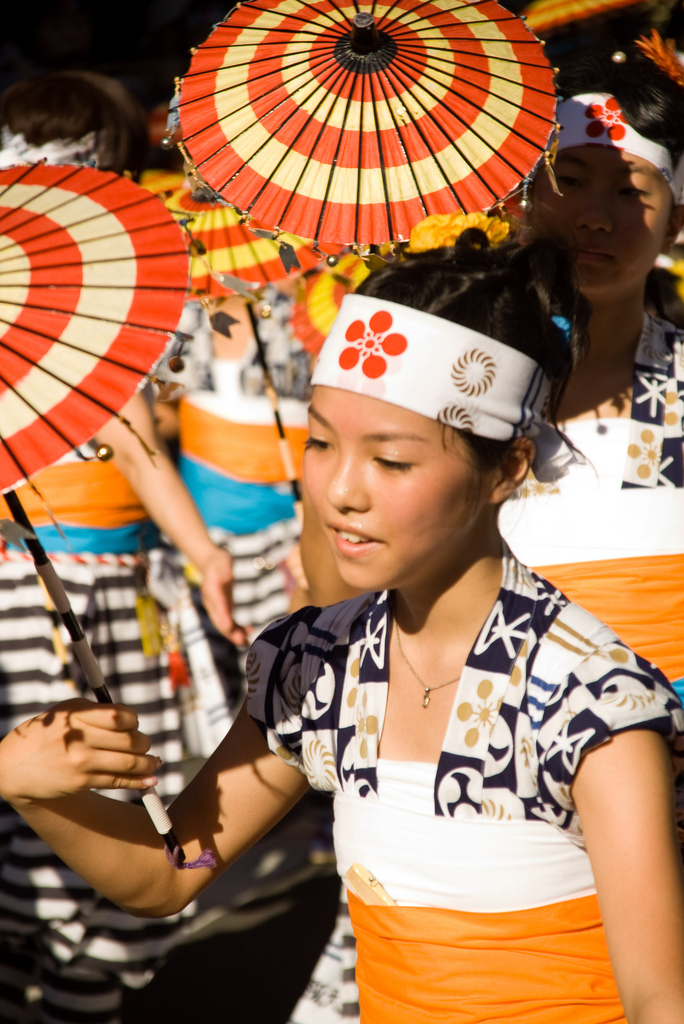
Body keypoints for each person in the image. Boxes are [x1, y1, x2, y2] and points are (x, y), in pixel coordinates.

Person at [1, 235, 684, 1024]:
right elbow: (173, 872)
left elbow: (660, 999)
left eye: (391, 461)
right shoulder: (314, 664)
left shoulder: (592, 701)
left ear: (507, 467)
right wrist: (33, 789)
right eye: (320, 442)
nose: (340, 491)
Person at [0, 71, 243, 1024]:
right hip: (49, 589)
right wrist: (204, 554)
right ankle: (76, 979)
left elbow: (135, 436)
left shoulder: (67, 296)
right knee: (103, 789)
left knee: (103, 791)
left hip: (102, 582)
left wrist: (200, 557)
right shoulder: (61, 290)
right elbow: (139, 441)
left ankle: (72, 979)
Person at [500, 35, 684, 701]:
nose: (596, 218)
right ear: (523, 194)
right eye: (569, 181)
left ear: (674, 225)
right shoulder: (463, 373)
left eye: (631, 191)